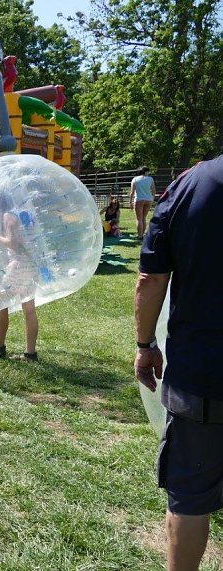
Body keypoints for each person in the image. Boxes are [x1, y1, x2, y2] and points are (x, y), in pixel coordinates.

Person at [134, 155, 223, 571]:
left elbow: (151, 279)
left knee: (190, 495)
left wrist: (145, 343)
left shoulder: (191, 184)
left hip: (201, 376)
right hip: (201, 377)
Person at [0, 193, 39, 362]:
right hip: (31, 265)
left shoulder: (8, 215)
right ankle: (30, 354)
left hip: (19, 266)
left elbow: (12, 243)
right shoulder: (21, 213)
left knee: (1, 302)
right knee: (29, 310)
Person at [130, 165, 156, 241]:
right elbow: (154, 190)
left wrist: (130, 201)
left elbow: (132, 192)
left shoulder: (135, 179)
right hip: (149, 200)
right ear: (145, 171)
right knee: (144, 218)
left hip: (139, 200)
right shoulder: (150, 179)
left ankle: (140, 236)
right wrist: (152, 199)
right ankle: (143, 234)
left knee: (139, 219)